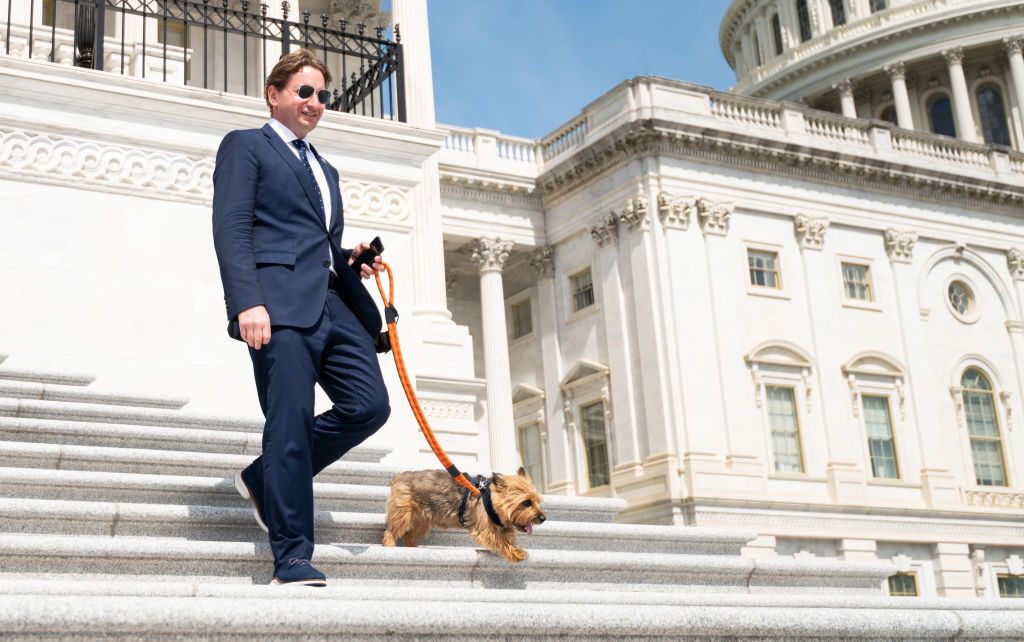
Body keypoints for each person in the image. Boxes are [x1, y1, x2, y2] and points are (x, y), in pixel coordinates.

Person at [212, 49, 390, 587]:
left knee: (369, 406)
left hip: (333, 302)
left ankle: (265, 478)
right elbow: (232, 227)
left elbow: (321, 243)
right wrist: (247, 301)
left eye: (323, 95)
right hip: (278, 304)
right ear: (276, 94)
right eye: (304, 92)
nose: (315, 103)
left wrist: (351, 260)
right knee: (288, 422)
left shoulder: (326, 168)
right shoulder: (246, 146)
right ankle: (291, 554)